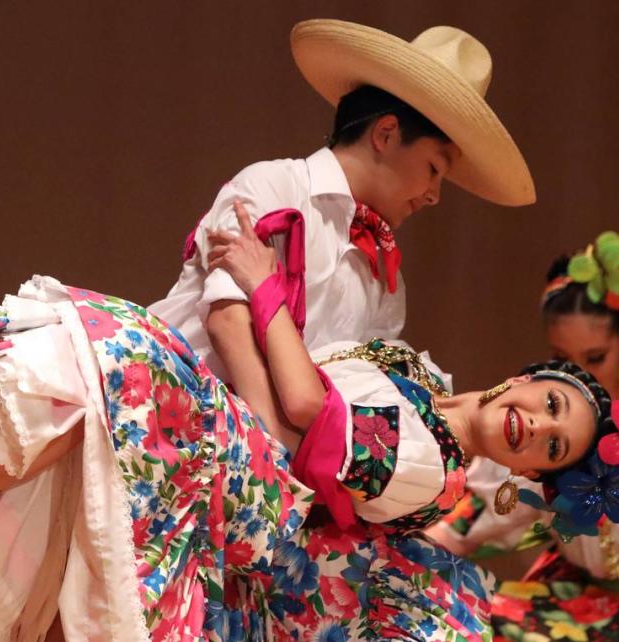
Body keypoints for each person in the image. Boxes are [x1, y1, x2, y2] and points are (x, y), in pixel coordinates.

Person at [0, 216, 619, 640]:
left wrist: (255, 300)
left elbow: (308, 418)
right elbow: (292, 382)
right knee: (88, 380)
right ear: (533, 378)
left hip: (259, 511)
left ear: (537, 473)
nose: (534, 427)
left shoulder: (434, 470)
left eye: (552, 446)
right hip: (239, 442)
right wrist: (240, 322)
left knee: (122, 345)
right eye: (551, 406)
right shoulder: (414, 371)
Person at [149, 19, 535, 451]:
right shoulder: (275, 186)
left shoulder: (384, 277)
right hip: (166, 406)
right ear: (386, 134)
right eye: (434, 170)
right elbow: (227, 321)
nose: (434, 196)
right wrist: (270, 450)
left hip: (242, 460)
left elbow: (344, 394)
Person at [428, 231, 619, 639]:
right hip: (576, 601)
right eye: (563, 359)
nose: (583, 372)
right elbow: (484, 509)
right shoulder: (550, 422)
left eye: (596, 357)